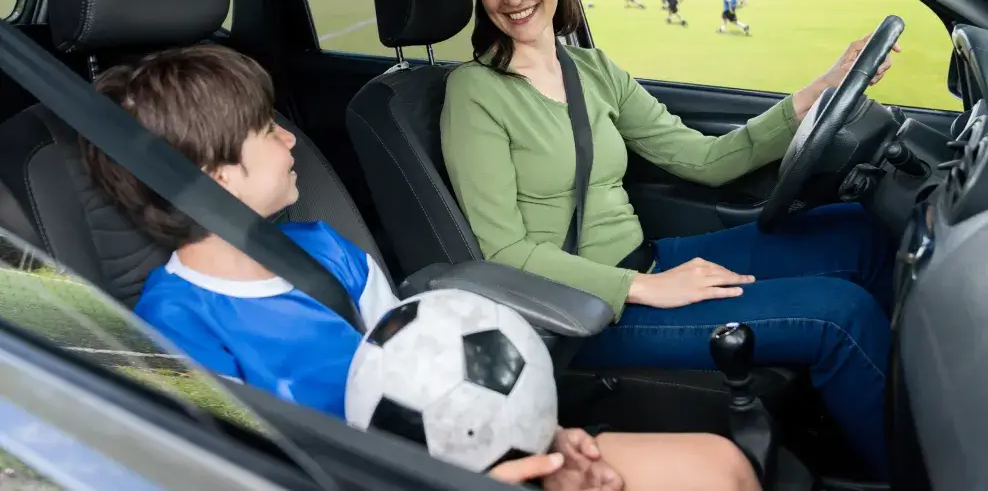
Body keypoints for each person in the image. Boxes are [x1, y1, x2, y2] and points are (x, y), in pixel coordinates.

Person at [80, 44, 761, 491]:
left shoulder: (325, 250)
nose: (292, 138)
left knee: (721, 465)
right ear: (215, 175)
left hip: (464, 455)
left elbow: (436, 372)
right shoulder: (175, 331)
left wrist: (542, 439)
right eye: (267, 130)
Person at [440, 0, 900, 480]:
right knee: (843, 315)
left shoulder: (591, 69)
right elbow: (503, 254)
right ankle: (925, 468)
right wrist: (644, 288)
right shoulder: (474, 93)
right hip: (581, 310)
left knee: (858, 234)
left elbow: (701, 158)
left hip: (649, 261)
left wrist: (821, 90)